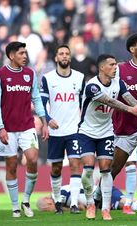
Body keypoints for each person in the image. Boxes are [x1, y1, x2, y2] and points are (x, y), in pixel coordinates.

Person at [78, 54, 137, 220]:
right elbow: (109, 101)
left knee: (106, 169)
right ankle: (90, 203)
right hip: (87, 132)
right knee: (88, 169)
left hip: (106, 132)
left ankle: (106, 209)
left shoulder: (119, 83)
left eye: (116, 64)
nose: (115, 67)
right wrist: (130, 110)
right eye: (112, 64)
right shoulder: (92, 86)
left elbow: (129, 98)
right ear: (102, 68)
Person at [105, 32, 137, 219]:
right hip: (123, 128)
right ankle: (97, 196)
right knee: (115, 168)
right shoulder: (119, 69)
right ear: (132, 49)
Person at [0, 41, 49, 218]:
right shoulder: (1, 74)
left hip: (27, 125)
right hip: (8, 128)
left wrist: (44, 121)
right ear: (11, 56)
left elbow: (36, 99)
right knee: (11, 165)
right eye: (21, 53)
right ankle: (14, 206)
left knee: (33, 159)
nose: (24, 56)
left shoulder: (30, 74)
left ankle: (25, 200)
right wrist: (0, 128)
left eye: (25, 53)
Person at [40, 44, 85, 214]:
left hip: (74, 130)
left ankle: (73, 204)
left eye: (67, 53)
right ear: (56, 58)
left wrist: (83, 123)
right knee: (56, 167)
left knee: (75, 164)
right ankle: (57, 201)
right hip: (56, 131)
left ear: (70, 57)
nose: (64, 56)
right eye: (61, 54)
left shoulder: (79, 78)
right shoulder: (48, 78)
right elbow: (41, 103)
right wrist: (48, 119)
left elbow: (84, 104)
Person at [36, 185, 137, 212]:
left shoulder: (58, 195)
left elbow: (80, 206)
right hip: (97, 199)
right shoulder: (60, 194)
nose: (46, 209)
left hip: (99, 193)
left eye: (45, 207)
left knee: (126, 204)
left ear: (47, 201)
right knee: (126, 205)